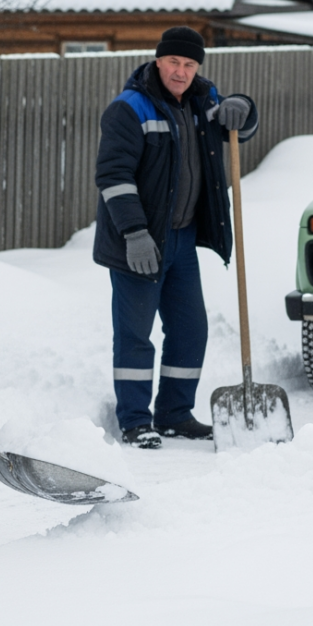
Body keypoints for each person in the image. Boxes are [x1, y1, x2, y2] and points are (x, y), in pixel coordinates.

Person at [93, 26, 258, 450]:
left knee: (190, 331)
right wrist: (134, 232)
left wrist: (243, 106)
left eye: (189, 64)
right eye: (173, 62)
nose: (181, 72)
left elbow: (237, 127)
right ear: (158, 60)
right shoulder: (129, 108)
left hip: (182, 241)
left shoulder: (204, 102)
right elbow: (113, 176)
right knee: (135, 335)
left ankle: (174, 414)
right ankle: (135, 421)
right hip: (139, 243)